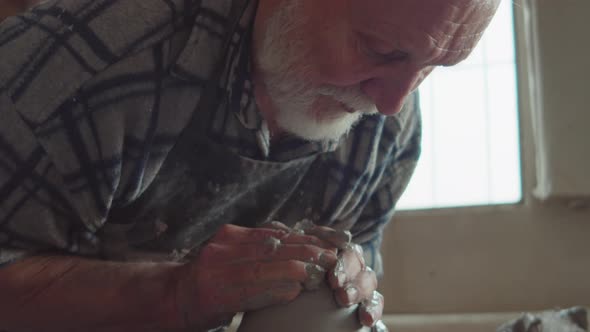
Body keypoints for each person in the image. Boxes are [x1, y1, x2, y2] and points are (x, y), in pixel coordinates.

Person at [0, 0, 500, 331]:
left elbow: (354, 272)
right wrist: (175, 294)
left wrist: (353, 282)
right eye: (380, 49)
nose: (392, 102)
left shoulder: (387, 131)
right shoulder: (82, 69)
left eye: (435, 65)